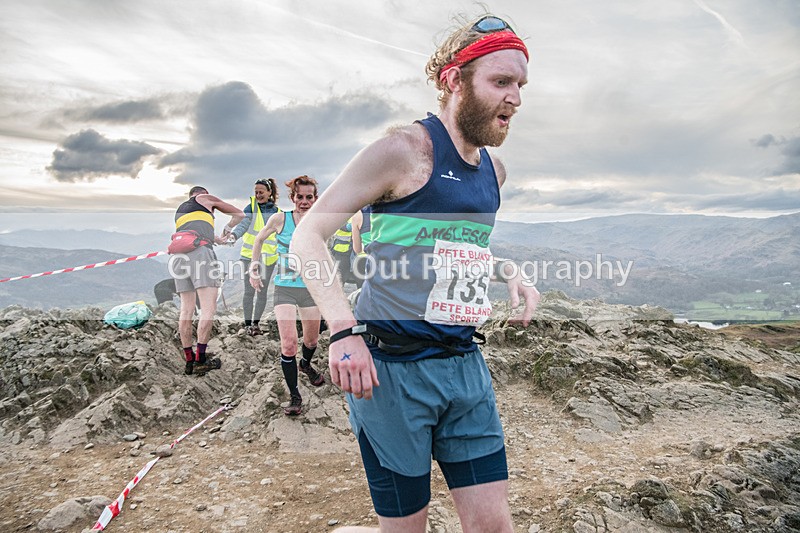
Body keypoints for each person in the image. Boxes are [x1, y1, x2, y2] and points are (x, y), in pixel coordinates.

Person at [291, 13, 540, 532]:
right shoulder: (403, 151)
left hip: (465, 366)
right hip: (391, 374)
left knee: (494, 527)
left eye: (519, 85)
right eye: (500, 82)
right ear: (454, 80)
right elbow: (307, 237)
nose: (514, 98)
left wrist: (507, 270)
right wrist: (342, 333)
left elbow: (449, 247)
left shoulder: (494, 171)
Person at [249, 175, 326, 415]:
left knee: (311, 341)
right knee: (289, 344)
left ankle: (306, 364)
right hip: (284, 288)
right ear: (293, 198)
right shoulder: (280, 218)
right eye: (299, 197)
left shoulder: (320, 222)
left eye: (309, 197)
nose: (304, 201)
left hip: (311, 288)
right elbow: (259, 240)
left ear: (315, 199)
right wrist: (254, 268)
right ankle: (295, 397)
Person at [170, 185, 244, 375]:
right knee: (208, 308)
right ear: (201, 194)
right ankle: (201, 359)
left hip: (178, 257)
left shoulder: (181, 211)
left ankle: (189, 360)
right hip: (200, 255)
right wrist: (228, 228)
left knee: (186, 310)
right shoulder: (205, 198)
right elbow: (239, 214)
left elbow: (201, 236)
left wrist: (218, 239)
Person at [224, 178, 281, 336]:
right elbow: (243, 224)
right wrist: (234, 235)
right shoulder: (251, 208)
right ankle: (248, 324)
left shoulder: (278, 213)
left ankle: (255, 324)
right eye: (256, 192)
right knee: (249, 292)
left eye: (261, 192)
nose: (258, 195)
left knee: (261, 292)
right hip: (249, 257)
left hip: (269, 258)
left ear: (269, 193)